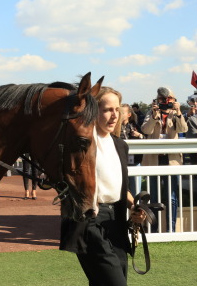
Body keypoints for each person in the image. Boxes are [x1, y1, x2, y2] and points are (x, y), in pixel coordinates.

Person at [60, 87, 146, 285]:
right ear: (93, 110)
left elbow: (119, 186)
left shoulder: (120, 145)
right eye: (107, 109)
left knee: (112, 278)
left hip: (115, 221)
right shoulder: (80, 144)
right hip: (87, 219)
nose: (114, 115)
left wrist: (134, 206)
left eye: (117, 109)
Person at [141, 87, 187, 232]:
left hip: (172, 160)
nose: (165, 102)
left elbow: (183, 129)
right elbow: (146, 130)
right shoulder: (152, 113)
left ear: (174, 101)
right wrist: (155, 116)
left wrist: (179, 112)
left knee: (172, 196)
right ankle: (155, 230)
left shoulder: (175, 113)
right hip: (155, 159)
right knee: (154, 196)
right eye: (161, 99)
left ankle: (171, 229)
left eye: (168, 99)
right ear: (156, 100)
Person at [120, 104, 144, 196]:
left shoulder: (135, 126)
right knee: (121, 189)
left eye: (122, 112)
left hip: (135, 161)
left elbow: (145, 138)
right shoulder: (114, 127)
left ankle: (136, 208)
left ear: (129, 114)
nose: (119, 114)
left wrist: (139, 136)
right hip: (120, 162)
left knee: (136, 190)